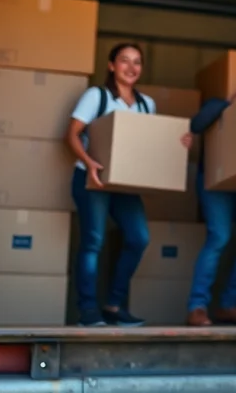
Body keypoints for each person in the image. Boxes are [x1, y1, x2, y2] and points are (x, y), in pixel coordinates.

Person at [65, 42, 193, 327]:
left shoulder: (147, 104)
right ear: (111, 65)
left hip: (124, 183)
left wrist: (179, 141)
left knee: (138, 238)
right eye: (124, 61)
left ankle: (113, 305)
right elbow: (72, 134)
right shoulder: (96, 96)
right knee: (93, 242)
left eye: (137, 62)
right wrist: (89, 161)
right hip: (92, 178)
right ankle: (88, 312)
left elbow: (148, 142)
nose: (131, 67)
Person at [184, 89, 236, 327]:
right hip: (215, 179)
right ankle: (196, 307)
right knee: (219, 237)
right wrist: (231, 103)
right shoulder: (218, 105)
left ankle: (229, 304)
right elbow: (196, 125)